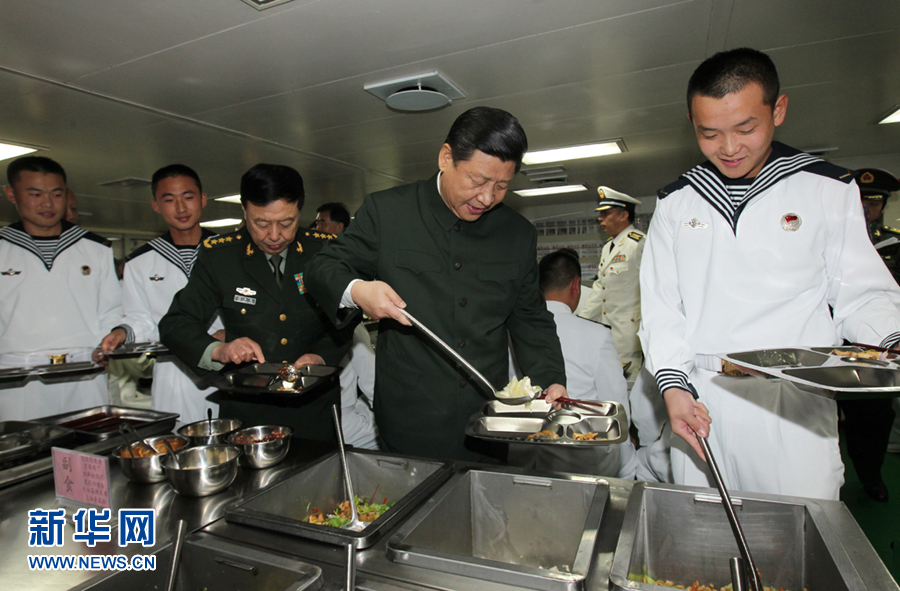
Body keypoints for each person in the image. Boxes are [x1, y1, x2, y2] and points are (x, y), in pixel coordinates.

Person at [636, 48, 900, 500]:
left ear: (778, 110)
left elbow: (860, 293)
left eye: (745, 128)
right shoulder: (677, 202)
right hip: (701, 397)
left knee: (800, 539)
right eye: (709, 133)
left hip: (793, 401)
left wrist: (892, 340)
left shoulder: (825, 189)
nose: (730, 147)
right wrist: (673, 387)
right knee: (706, 543)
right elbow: (663, 309)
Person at [306, 106, 567, 461]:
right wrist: (358, 291)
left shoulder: (517, 234)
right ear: (446, 158)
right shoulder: (389, 213)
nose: (487, 197)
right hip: (410, 419)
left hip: (489, 420)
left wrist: (550, 378)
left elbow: (530, 318)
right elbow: (323, 266)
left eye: (502, 185)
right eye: (477, 181)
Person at [159, 163, 352, 440]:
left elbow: (346, 316)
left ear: (300, 210)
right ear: (244, 211)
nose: (274, 235)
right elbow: (175, 324)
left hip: (314, 408)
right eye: (261, 223)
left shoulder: (324, 251)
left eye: (286, 223)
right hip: (248, 410)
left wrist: (320, 356)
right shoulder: (220, 257)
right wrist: (219, 350)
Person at [0, 156, 129, 419]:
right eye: (35, 194)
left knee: (85, 451)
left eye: (56, 194)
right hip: (17, 377)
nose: (47, 203)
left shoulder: (95, 249)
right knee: (24, 455)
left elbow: (111, 309)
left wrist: (107, 344)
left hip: (82, 372)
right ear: (11, 194)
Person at [102, 164, 224, 425]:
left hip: (227, 363)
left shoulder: (230, 252)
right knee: (177, 446)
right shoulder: (140, 262)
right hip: (173, 369)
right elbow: (140, 317)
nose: (180, 208)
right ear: (156, 205)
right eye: (169, 200)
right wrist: (123, 332)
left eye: (188, 197)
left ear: (202, 199)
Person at [509, 249, 630, 476]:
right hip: (582, 462)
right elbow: (617, 409)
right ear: (576, 286)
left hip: (521, 457)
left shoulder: (511, 333)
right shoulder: (597, 335)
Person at [835, 168, 900, 501]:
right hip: (832, 344)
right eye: (860, 200)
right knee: (824, 415)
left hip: (876, 345)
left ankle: (872, 475)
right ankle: (833, 478)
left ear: (883, 205)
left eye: (873, 202)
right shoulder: (832, 238)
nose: (865, 207)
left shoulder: (894, 243)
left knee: (873, 415)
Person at [578, 186, 645, 380]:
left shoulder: (639, 244)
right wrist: (581, 322)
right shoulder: (609, 247)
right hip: (608, 335)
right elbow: (600, 289)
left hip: (631, 337)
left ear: (624, 215)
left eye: (606, 213)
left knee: (629, 391)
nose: (600, 218)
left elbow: (653, 289)